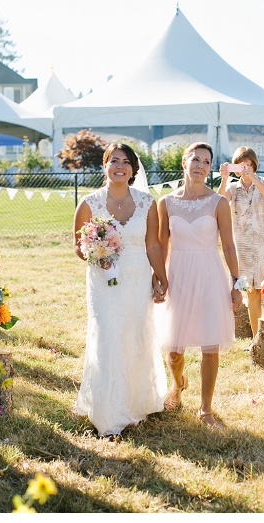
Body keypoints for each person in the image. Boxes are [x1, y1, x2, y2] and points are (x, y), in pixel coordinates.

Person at [72, 143, 169, 437]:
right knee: (109, 334)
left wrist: (161, 277)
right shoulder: (89, 203)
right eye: (114, 160)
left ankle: (137, 401)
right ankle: (108, 410)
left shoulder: (147, 202)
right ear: (104, 165)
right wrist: (95, 249)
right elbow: (78, 246)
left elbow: (153, 244)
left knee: (136, 332)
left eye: (125, 162)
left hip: (138, 277)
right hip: (104, 279)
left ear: (133, 169)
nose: (119, 166)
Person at [157, 142, 242, 428]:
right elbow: (161, 245)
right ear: (184, 162)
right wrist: (159, 279)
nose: (201, 166)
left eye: (206, 162)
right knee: (173, 349)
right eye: (196, 159)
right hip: (177, 274)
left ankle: (206, 409)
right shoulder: (166, 203)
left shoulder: (218, 203)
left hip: (210, 274)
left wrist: (236, 282)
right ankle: (178, 383)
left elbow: (229, 246)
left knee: (210, 345)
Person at [217, 146, 264, 337]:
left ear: (255, 165)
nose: (245, 168)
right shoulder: (232, 188)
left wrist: (254, 178)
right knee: (251, 292)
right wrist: (224, 179)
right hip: (245, 245)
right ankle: (257, 339)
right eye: (241, 165)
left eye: (249, 164)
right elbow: (219, 203)